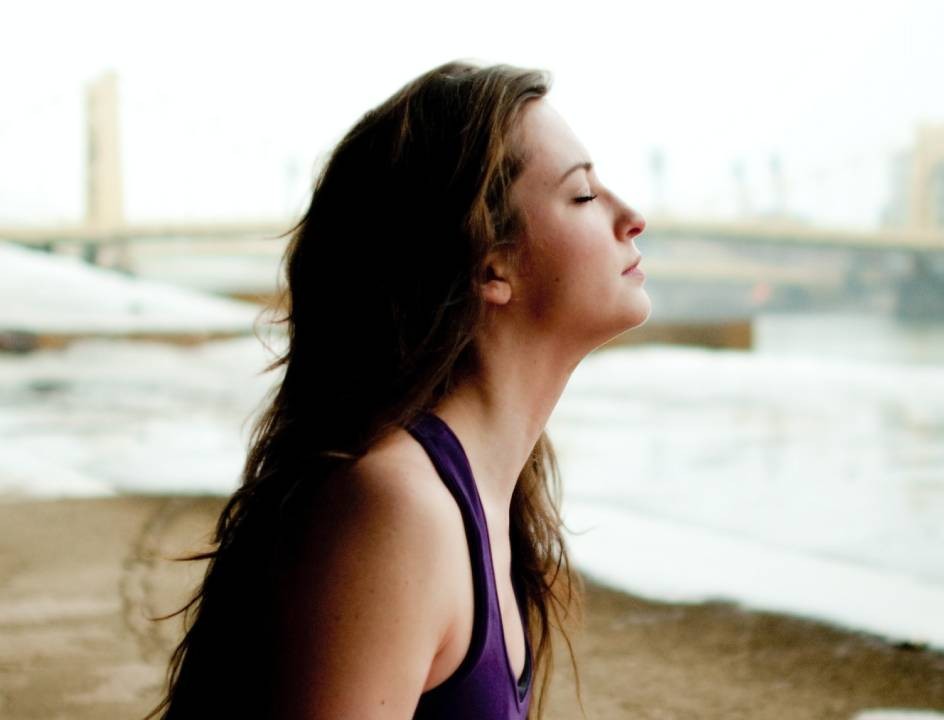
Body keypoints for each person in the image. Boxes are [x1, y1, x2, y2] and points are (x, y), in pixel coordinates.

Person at [141, 60, 649, 720]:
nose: (631, 216)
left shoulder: (481, 496)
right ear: (489, 264)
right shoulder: (397, 510)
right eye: (582, 196)